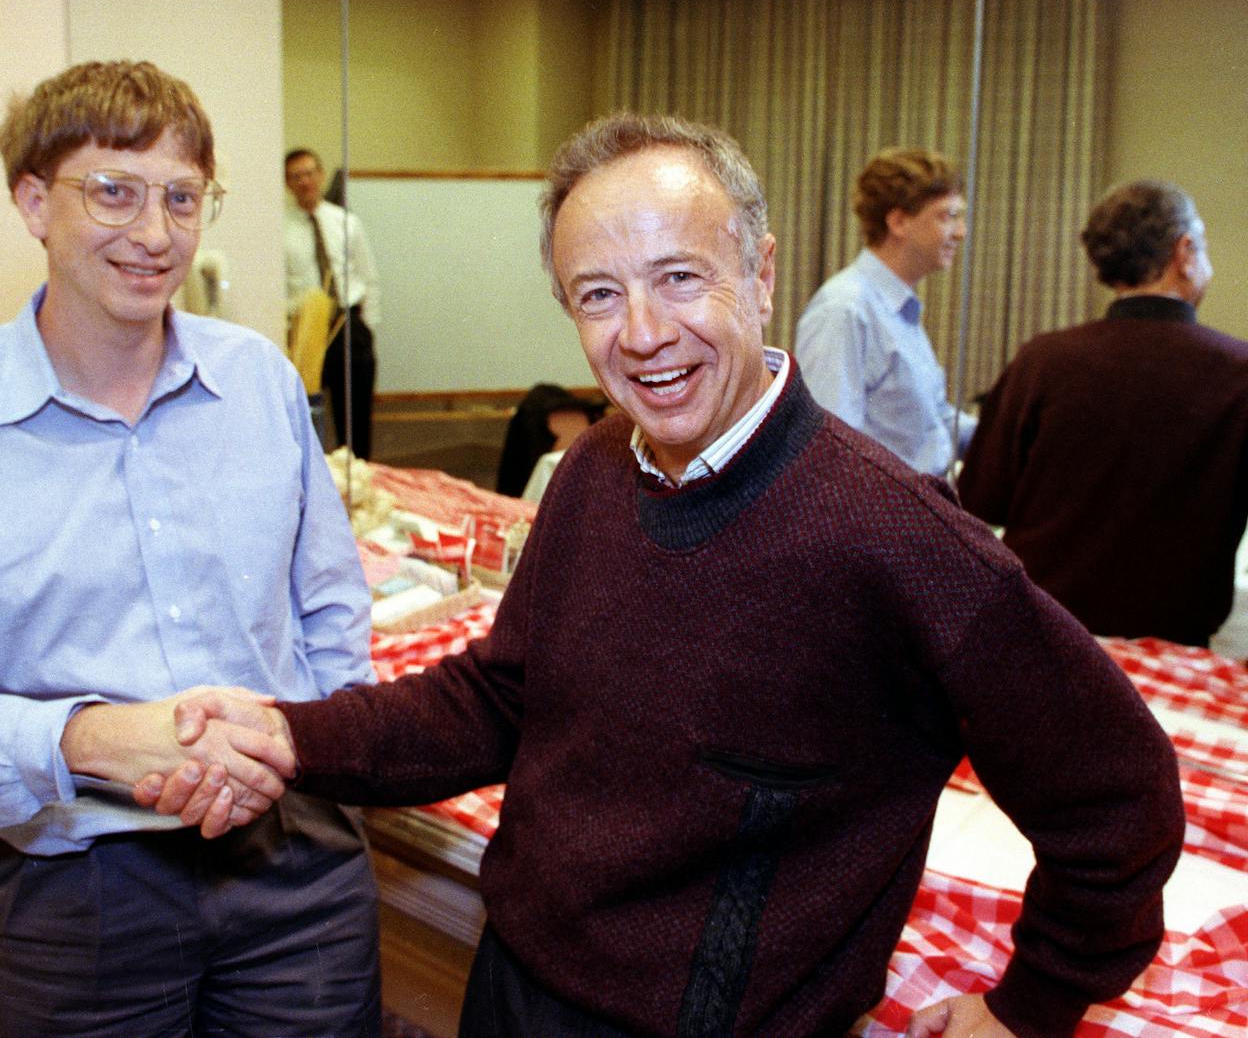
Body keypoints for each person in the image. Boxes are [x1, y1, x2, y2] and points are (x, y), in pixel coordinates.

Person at [145, 115, 1184, 1037]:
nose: (641, 333)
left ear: (761, 272)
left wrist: (1030, 1003)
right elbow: (500, 695)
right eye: (599, 294)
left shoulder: (897, 536)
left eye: (679, 277)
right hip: (513, 983)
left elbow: (1117, 797)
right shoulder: (596, 467)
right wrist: (291, 733)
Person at [0, 61, 380, 1036]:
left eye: (181, 197)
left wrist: (309, 749)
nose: (155, 235)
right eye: (113, 192)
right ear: (34, 201)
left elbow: (328, 605)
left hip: (295, 861)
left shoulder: (257, 382)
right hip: (69, 885)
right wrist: (88, 739)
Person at [958, 180, 1248, 646]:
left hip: (1041, 634)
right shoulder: (1239, 374)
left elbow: (980, 499)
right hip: (1171, 645)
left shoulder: (1043, 360)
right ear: (1185, 251)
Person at [796, 148, 975, 476]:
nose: (961, 232)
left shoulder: (897, 310)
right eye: (948, 216)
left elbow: (935, 421)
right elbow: (828, 453)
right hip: (883, 522)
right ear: (898, 222)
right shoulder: (844, 310)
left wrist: (1012, 435)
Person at [285, 147, 382, 458]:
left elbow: (369, 277)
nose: (304, 181)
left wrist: (368, 326)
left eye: (309, 173)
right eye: (296, 176)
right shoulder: (281, 231)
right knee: (308, 414)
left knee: (356, 418)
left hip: (349, 324)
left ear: (321, 175)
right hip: (307, 328)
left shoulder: (346, 222)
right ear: (288, 184)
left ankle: (359, 479)